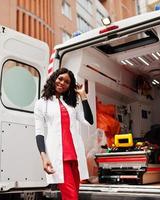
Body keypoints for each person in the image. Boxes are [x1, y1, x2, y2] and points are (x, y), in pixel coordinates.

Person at [34, 67, 93, 200]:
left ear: (69, 86)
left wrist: (83, 95)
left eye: (67, 82)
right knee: (71, 197)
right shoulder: (41, 104)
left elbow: (89, 121)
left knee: (73, 195)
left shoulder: (72, 104)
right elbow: (39, 133)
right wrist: (44, 157)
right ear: (54, 78)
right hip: (58, 157)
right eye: (60, 78)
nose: (62, 83)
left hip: (75, 155)